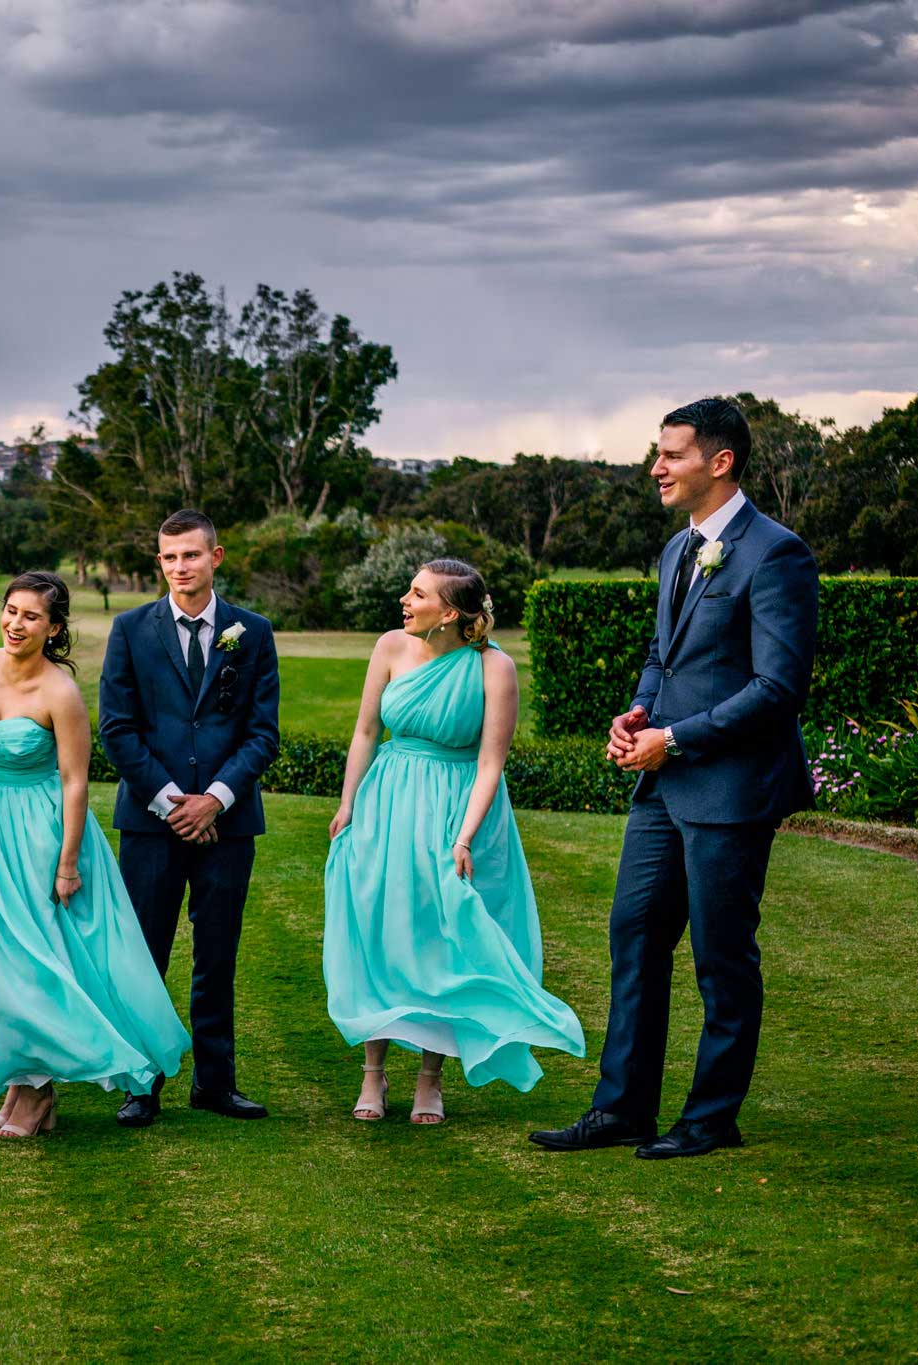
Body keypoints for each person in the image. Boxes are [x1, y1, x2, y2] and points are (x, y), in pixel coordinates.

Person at [533, 398, 818, 1160]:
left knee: (721, 957)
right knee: (634, 936)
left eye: (672, 454)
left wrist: (675, 739)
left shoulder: (775, 553)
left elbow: (778, 687)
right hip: (662, 788)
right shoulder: (676, 551)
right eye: (657, 453)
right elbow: (665, 656)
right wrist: (636, 713)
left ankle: (711, 1116)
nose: (656, 467)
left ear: (719, 462)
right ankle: (622, 1108)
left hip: (730, 789)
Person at [323, 560, 585, 1125]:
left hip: (456, 809)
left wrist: (464, 836)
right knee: (381, 929)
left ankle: (430, 1078)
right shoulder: (390, 647)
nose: (404, 599)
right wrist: (348, 804)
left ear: (448, 613)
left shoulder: (495, 669)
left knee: (444, 940)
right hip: (387, 800)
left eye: (416, 593)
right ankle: (373, 1072)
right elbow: (366, 731)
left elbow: (491, 762)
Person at [0, 573, 189, 1138]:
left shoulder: (61, 693)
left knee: (34, 963)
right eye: (11, 611)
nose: (16, 624)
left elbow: (76, 783)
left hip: (40, 833)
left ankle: (38, 1095)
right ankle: (24, 1085)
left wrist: (67, 863)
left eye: (31, 617)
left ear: (53, 628)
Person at [97, 509, 280, 1127]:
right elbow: (117, 730)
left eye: (192, 556)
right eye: (170, 558)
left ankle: (215, 1084)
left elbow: (262, 733)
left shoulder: (252, 632)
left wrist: (217, 799)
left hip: (228, 824)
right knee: (144, 955)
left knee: (217, 955)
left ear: (216, 557)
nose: (181, 567)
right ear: (160, 563)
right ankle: (140, 1085)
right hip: (152, 823)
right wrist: (174, 800)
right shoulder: (130, 629)